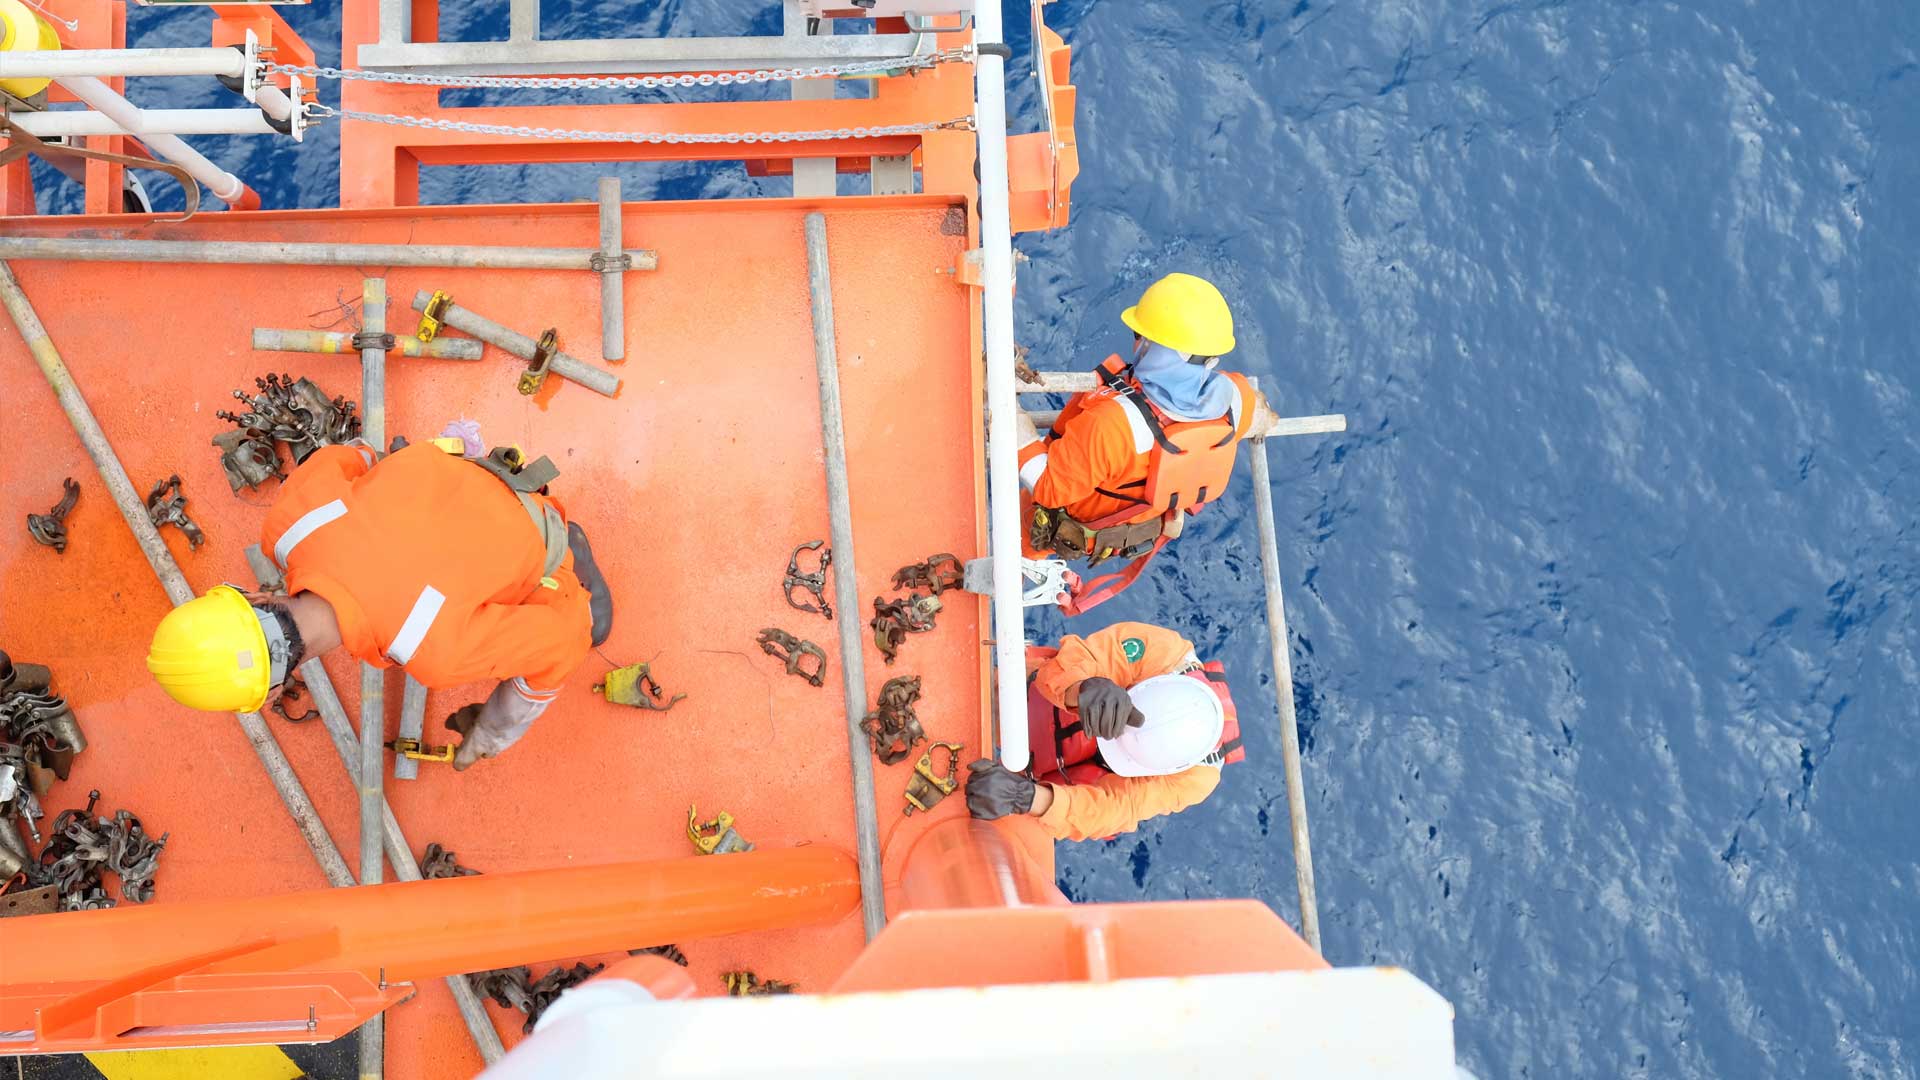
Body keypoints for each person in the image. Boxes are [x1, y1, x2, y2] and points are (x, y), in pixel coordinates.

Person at [145, 439, 612, 770]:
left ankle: (569, 552)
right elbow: (357, 454)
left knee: (585, 625)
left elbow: (562, 642)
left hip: (533, 525)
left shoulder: (435, 651)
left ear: (271, 693)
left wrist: (492, 731)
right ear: (254, 596)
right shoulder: (289, 524)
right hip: (467, 469)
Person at [1018, 272, 1277, 612]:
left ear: (1158, 350)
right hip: (1120, 531)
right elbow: (1264, 417)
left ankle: (1022, 561)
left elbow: (1048, 488)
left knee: (1017, 532)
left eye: (1140, 334)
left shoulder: (1112, 426)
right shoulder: (1235, 401)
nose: (1136, 342)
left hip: (1051, 523)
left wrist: (1014, 418)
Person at [964, 621, 1244, 841]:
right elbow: (1084, 657)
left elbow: (1116, 809)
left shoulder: (1195, 780)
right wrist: (1084, 686)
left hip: (1025, 779)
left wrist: (1026, 798)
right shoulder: (1162, 651)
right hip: (1019, 693)